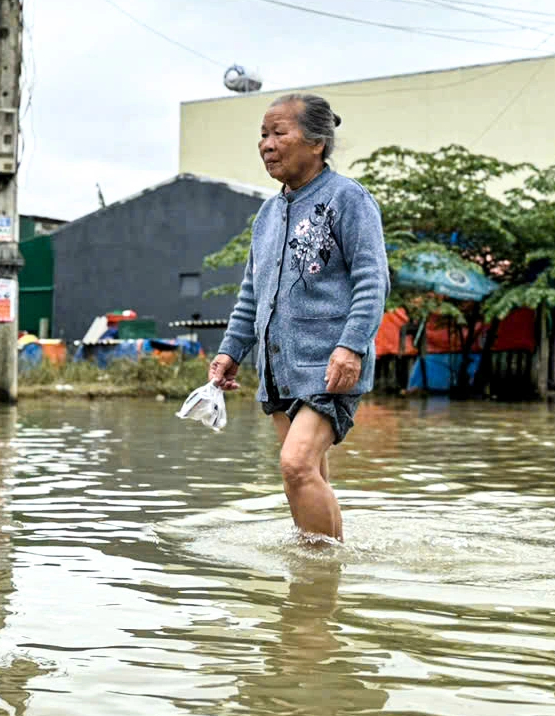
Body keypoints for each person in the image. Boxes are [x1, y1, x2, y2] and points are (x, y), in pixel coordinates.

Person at [209, 93, 389, 543]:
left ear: (316, 143)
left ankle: (325, 572)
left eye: (278, 133)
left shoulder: (348, 199)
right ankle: (314, 594)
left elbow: (372, 280)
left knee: (295, 466)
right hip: (277, 368)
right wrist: (230, 352)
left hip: (328, 363)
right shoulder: (268, 214)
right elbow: (251, 293)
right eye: (263, 135)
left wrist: (352, 346)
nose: (267, 144)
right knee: (307, 476)